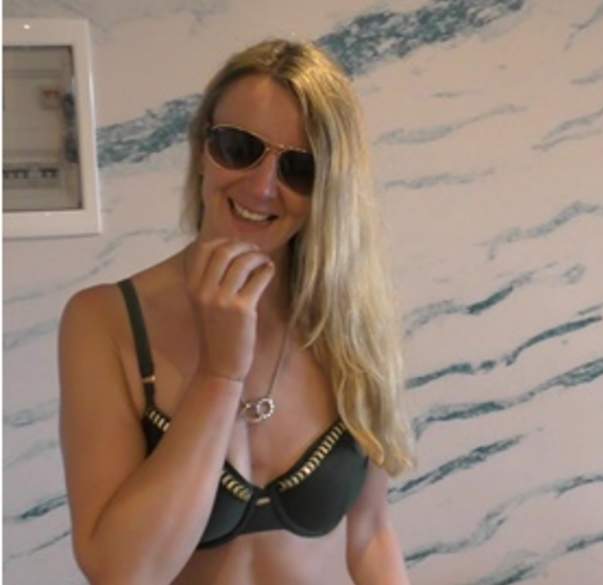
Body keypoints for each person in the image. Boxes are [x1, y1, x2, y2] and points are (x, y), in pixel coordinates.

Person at [58, 38, 415, 585]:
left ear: (329, 187)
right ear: (202, 148)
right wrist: (219, 374)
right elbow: (122, 571)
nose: (262, 187)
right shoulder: (104, 321)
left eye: (299, 168)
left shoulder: (349, 323)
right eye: (238, 147)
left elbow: (370, 536)